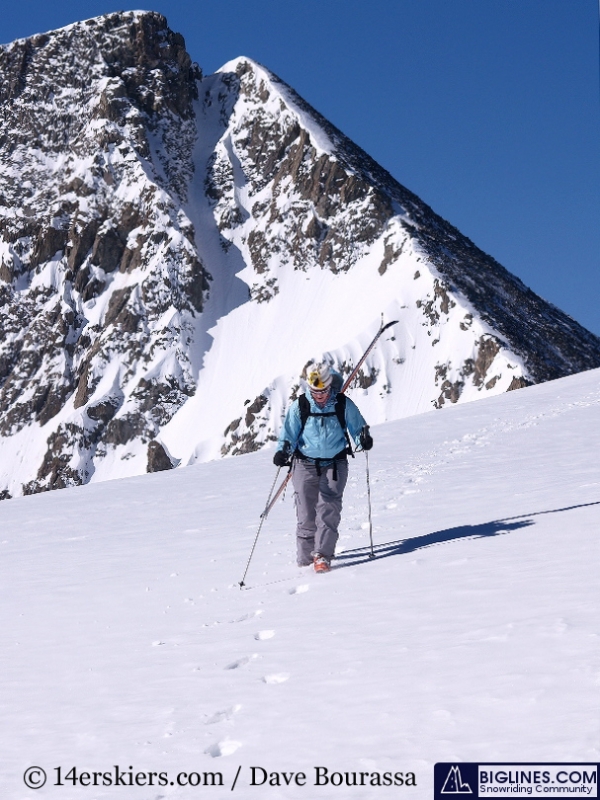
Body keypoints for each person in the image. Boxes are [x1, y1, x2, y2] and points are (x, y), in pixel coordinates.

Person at [273, 362, 373, 573]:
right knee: (306, 514)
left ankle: (322, 556)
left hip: (335, 464)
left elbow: (358, 427)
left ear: (330, 387)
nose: (319, 396)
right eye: (315, 391)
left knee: (328, 509)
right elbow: (289, 433)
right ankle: (304, 560)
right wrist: (283, 451)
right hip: (304, 464)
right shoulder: (300, 406)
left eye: (323, 391)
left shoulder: (342, 404)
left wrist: (363, 439)